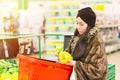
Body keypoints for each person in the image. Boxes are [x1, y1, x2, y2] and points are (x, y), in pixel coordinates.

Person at [62, 7, 108, 80]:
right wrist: (63, 56)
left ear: (89, 25)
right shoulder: (77, 37)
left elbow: (98, 71)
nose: (78, 27)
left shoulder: (96, 41)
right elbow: (70, 53)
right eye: (77, 23)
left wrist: (75, 64)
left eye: (81, 24)